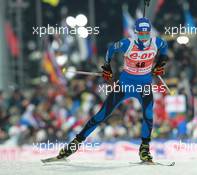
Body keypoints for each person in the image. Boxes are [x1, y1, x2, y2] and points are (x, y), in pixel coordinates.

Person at [56, 17, 168, 163]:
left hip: (144, 85)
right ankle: (75, 143)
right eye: (141, 33)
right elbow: (111, 49)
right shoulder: (128, 43)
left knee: (148, 114)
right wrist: (107, 66)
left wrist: (161, 63)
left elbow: (164, 47)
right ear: (136, 32)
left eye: (146, 33)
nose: (144, 36)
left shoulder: (156, 42)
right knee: (102, 115)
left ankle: (144, 149)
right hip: (124, 85)